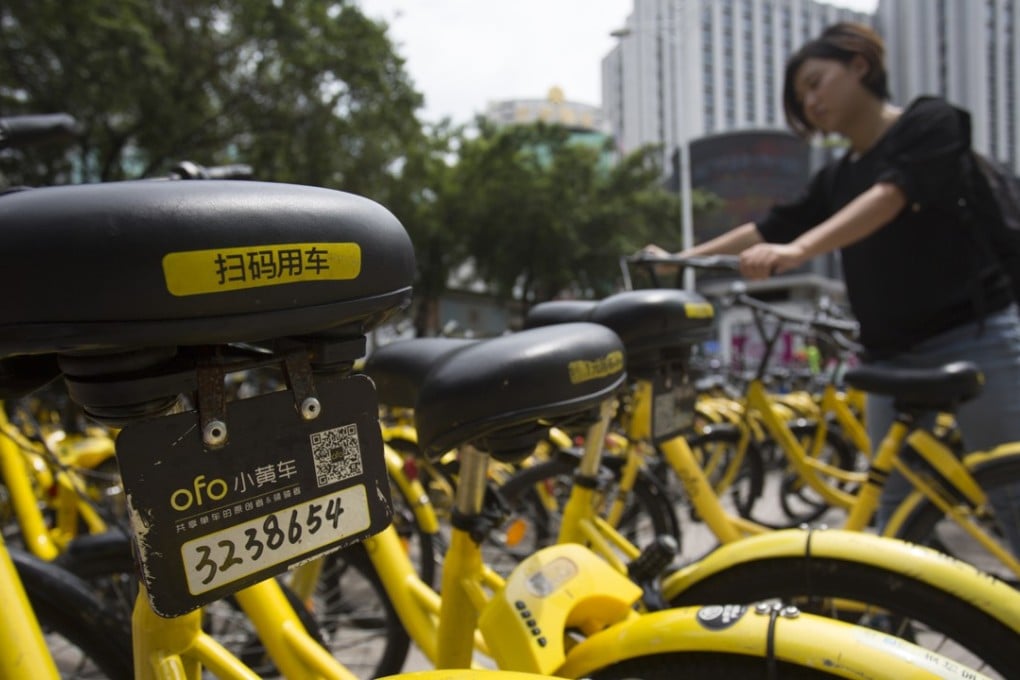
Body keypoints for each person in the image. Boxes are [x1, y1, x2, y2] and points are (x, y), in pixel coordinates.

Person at [644, 22, 1020, 547]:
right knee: (892, 506)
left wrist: (798, 252)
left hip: (972, 337)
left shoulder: (930, 122)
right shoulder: (837, 176)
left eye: (817, 83)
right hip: (888, 358)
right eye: (802, 97)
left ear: (859, 65)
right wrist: (683, 260)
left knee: (1008, 491)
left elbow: (891, 195)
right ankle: (899, 619)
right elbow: (774, 224)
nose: (811, 101)